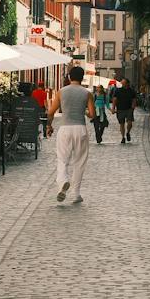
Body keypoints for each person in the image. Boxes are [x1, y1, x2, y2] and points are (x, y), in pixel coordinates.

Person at [50, 65, 93, 205]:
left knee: (62, 159)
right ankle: (76, 194)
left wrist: (48, 126)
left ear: (69, 77)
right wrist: (84, 111)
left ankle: (63, 182)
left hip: (65, 129)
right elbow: (92, 115)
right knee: (79, 161)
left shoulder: (61, 92)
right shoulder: (87, 93)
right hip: (80, 128)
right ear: (82, 78)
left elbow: (51, 112)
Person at [111, 78, 138, 144]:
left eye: (123, 83)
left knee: (129, 123)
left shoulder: (131, 91)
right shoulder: (118, 90)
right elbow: (114, 99)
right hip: (120, 109)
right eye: (121, 83)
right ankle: (123, 137)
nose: (122, 84)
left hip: (129, 109)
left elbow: (134, 99)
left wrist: (133, 107)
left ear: (127, 83)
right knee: (122, 124)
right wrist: (113, 108)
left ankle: (128, 132)